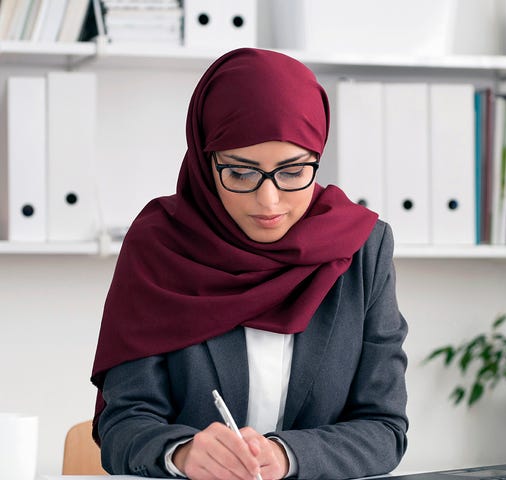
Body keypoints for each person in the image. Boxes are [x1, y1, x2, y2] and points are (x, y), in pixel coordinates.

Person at [91, 47, 408, 480]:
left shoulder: (362, 249)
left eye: (293, 171)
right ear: (206, 162)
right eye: (240, 173)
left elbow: (385, 428)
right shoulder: (159, 246)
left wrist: (284, 456)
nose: (268, 201)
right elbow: (122, 425)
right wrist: (181, 453)